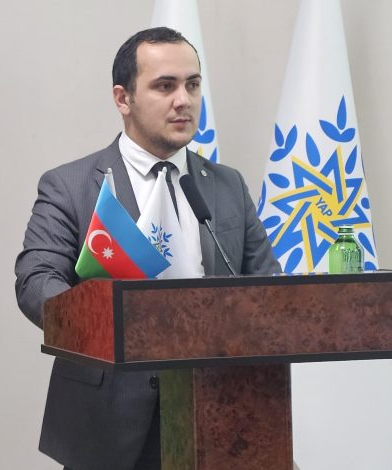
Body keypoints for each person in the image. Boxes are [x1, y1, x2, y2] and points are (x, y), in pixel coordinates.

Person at [14, 27, 281, 470]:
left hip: (219, 416)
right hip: (109, 421)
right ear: (123, 99)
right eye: (165, 86)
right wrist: (103, 323)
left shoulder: (227, 185)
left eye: (192, 85)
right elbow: (35, 281)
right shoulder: (71, 186)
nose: (184, 100)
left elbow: (268, 288)